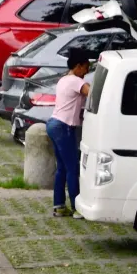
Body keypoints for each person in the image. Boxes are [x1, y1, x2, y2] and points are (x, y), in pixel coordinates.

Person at [48, 48, 94, 217]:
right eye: (86, 67)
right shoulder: (75, 81)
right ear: (78, 66)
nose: (87, 71)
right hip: (64, 127)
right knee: (73, 168)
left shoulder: (63, 80)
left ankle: (59, 206)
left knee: (62, 168)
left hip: (53, 124)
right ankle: (77, 207)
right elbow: (93, 94)